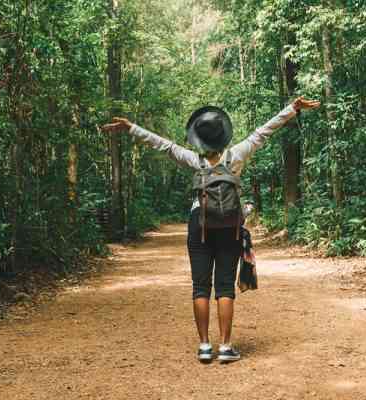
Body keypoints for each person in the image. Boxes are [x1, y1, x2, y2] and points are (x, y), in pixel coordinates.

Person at [102, 96, 320, 363]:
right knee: (225, 286)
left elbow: (163, 145)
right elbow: (265, 131)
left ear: (198, 139)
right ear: (224, 136)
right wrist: (292, 108)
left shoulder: (194, 160)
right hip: (230, 225)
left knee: (200, 286)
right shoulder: (237, 154)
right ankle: (226, 347)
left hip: (200, 225)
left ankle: (205, 346)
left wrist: (130, 127)